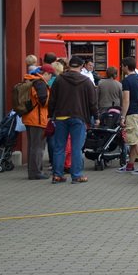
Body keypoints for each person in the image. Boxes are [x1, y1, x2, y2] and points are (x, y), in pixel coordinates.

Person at [48, 55, 98, 183]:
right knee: (76, 148)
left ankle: (57, 175)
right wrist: (96, 117)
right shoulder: (86, 81)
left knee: (59, 147)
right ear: (82, 66)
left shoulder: (59, 80)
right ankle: (76, 175)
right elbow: (93, 102)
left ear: (69, 65)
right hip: (79, 116)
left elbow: (52, 99)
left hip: (60, 116)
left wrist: (50, 114)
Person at [21, 63, 55, 180]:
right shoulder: (40, 84)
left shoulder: (31, 80)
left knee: (32, 146)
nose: (50, 78)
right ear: (45, 74)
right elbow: (43, 102)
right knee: (38, 147)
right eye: (50, 75)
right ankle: (36, 172)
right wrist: (51, 100)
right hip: (38, 119)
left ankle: (33, 171)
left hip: (29, 118)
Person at [118, 56, 138, 173]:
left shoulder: (126, 81)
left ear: (126, 66)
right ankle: (130, 165)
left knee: (135, 141)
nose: (121, 67)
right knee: (135, 140)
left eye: (122, 65)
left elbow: (126, 100)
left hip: (131, 113)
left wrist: (123, 116)